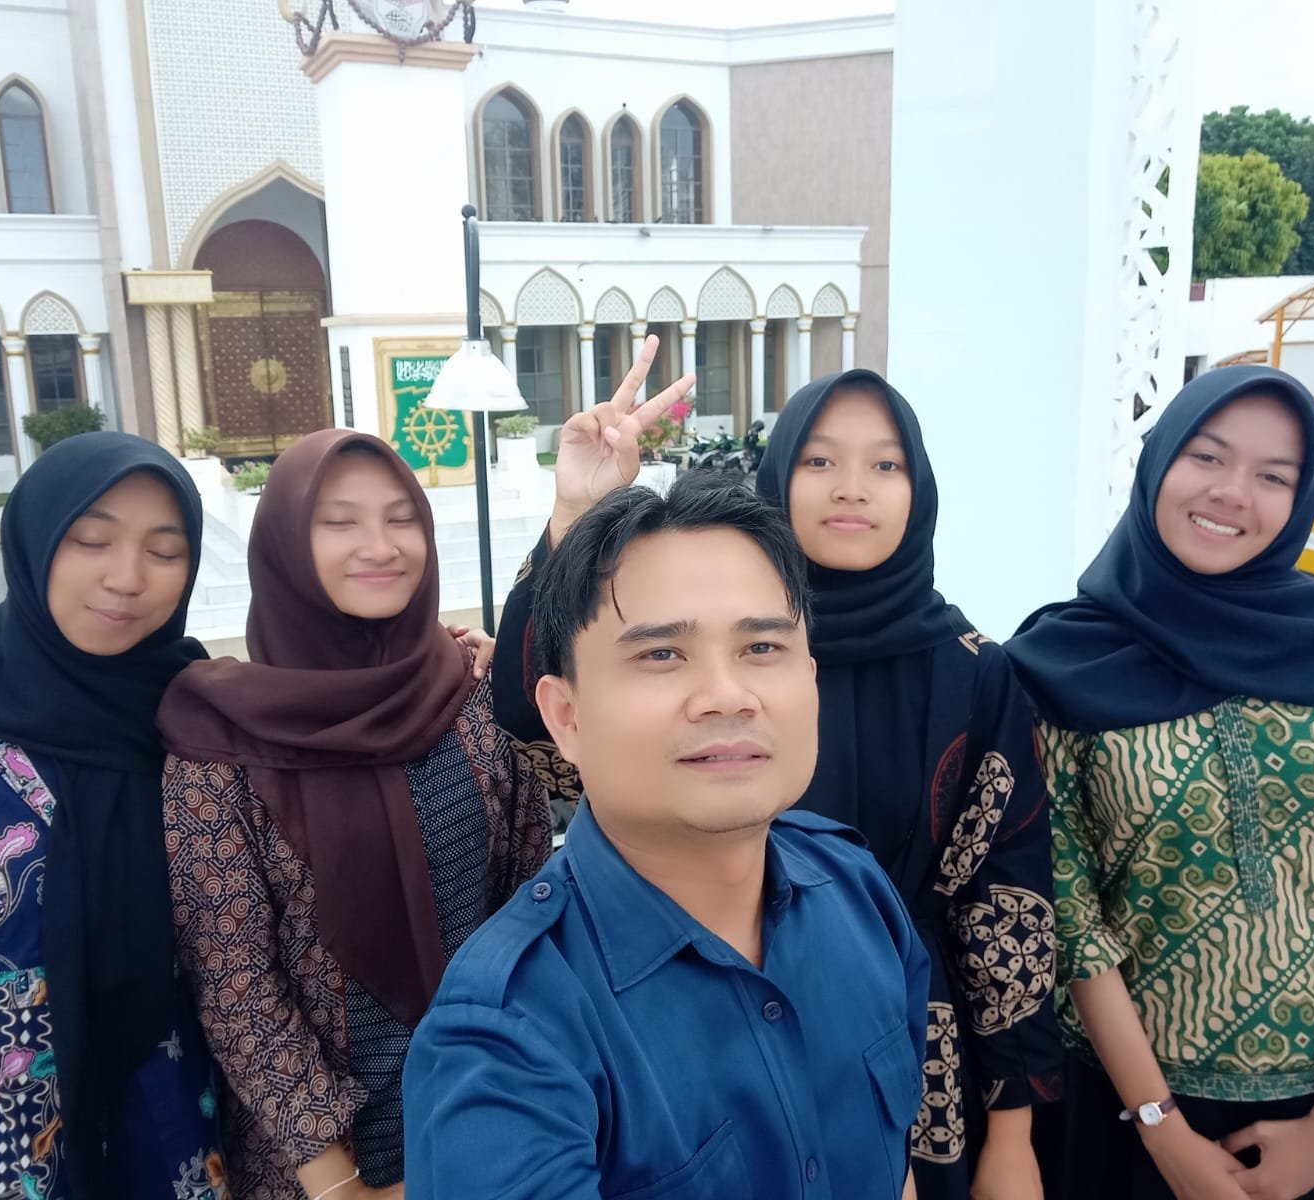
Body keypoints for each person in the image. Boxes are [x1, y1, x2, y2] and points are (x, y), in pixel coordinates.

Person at [490, 346, 1061, 1199]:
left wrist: (1013, 1135)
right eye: (820, 460)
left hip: (904, 1034)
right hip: (676, 1003)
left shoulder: (971, 672)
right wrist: (576, 510)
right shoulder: (519, 1021)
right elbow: (537, 724)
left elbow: (1005, 902)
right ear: (779, 472)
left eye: (886, 465)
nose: (852, 488)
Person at [403, 472, 931, 1199]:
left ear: (811, 680)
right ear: (566, 717)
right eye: (661, 655)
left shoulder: (857, 888)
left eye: (762, 648)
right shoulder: (504, 1040)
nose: (726, 696)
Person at [1005, 366, 1314, 1200]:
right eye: (1207, 457)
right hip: (1126, 1111)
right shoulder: (1060, 663)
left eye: (1274, 476)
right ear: (1159, 463)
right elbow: (1070, 913)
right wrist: (1163, 1130)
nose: (1233, 493)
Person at [157, 429, 553, 1200]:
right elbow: (236, 986)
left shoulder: (470, 698)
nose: (380, 546)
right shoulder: (220, 744)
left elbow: (528, 902)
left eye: (402, 518)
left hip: (489, 1119)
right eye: (339, 522)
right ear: (284, 546)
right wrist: (340, 1182)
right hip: (318, 1170)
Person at [0, 432, 226, 1199]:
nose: (127, 578)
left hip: (176, 1150)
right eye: (90, 540)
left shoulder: (201, 725)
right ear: (35, 542)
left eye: (165, 551)